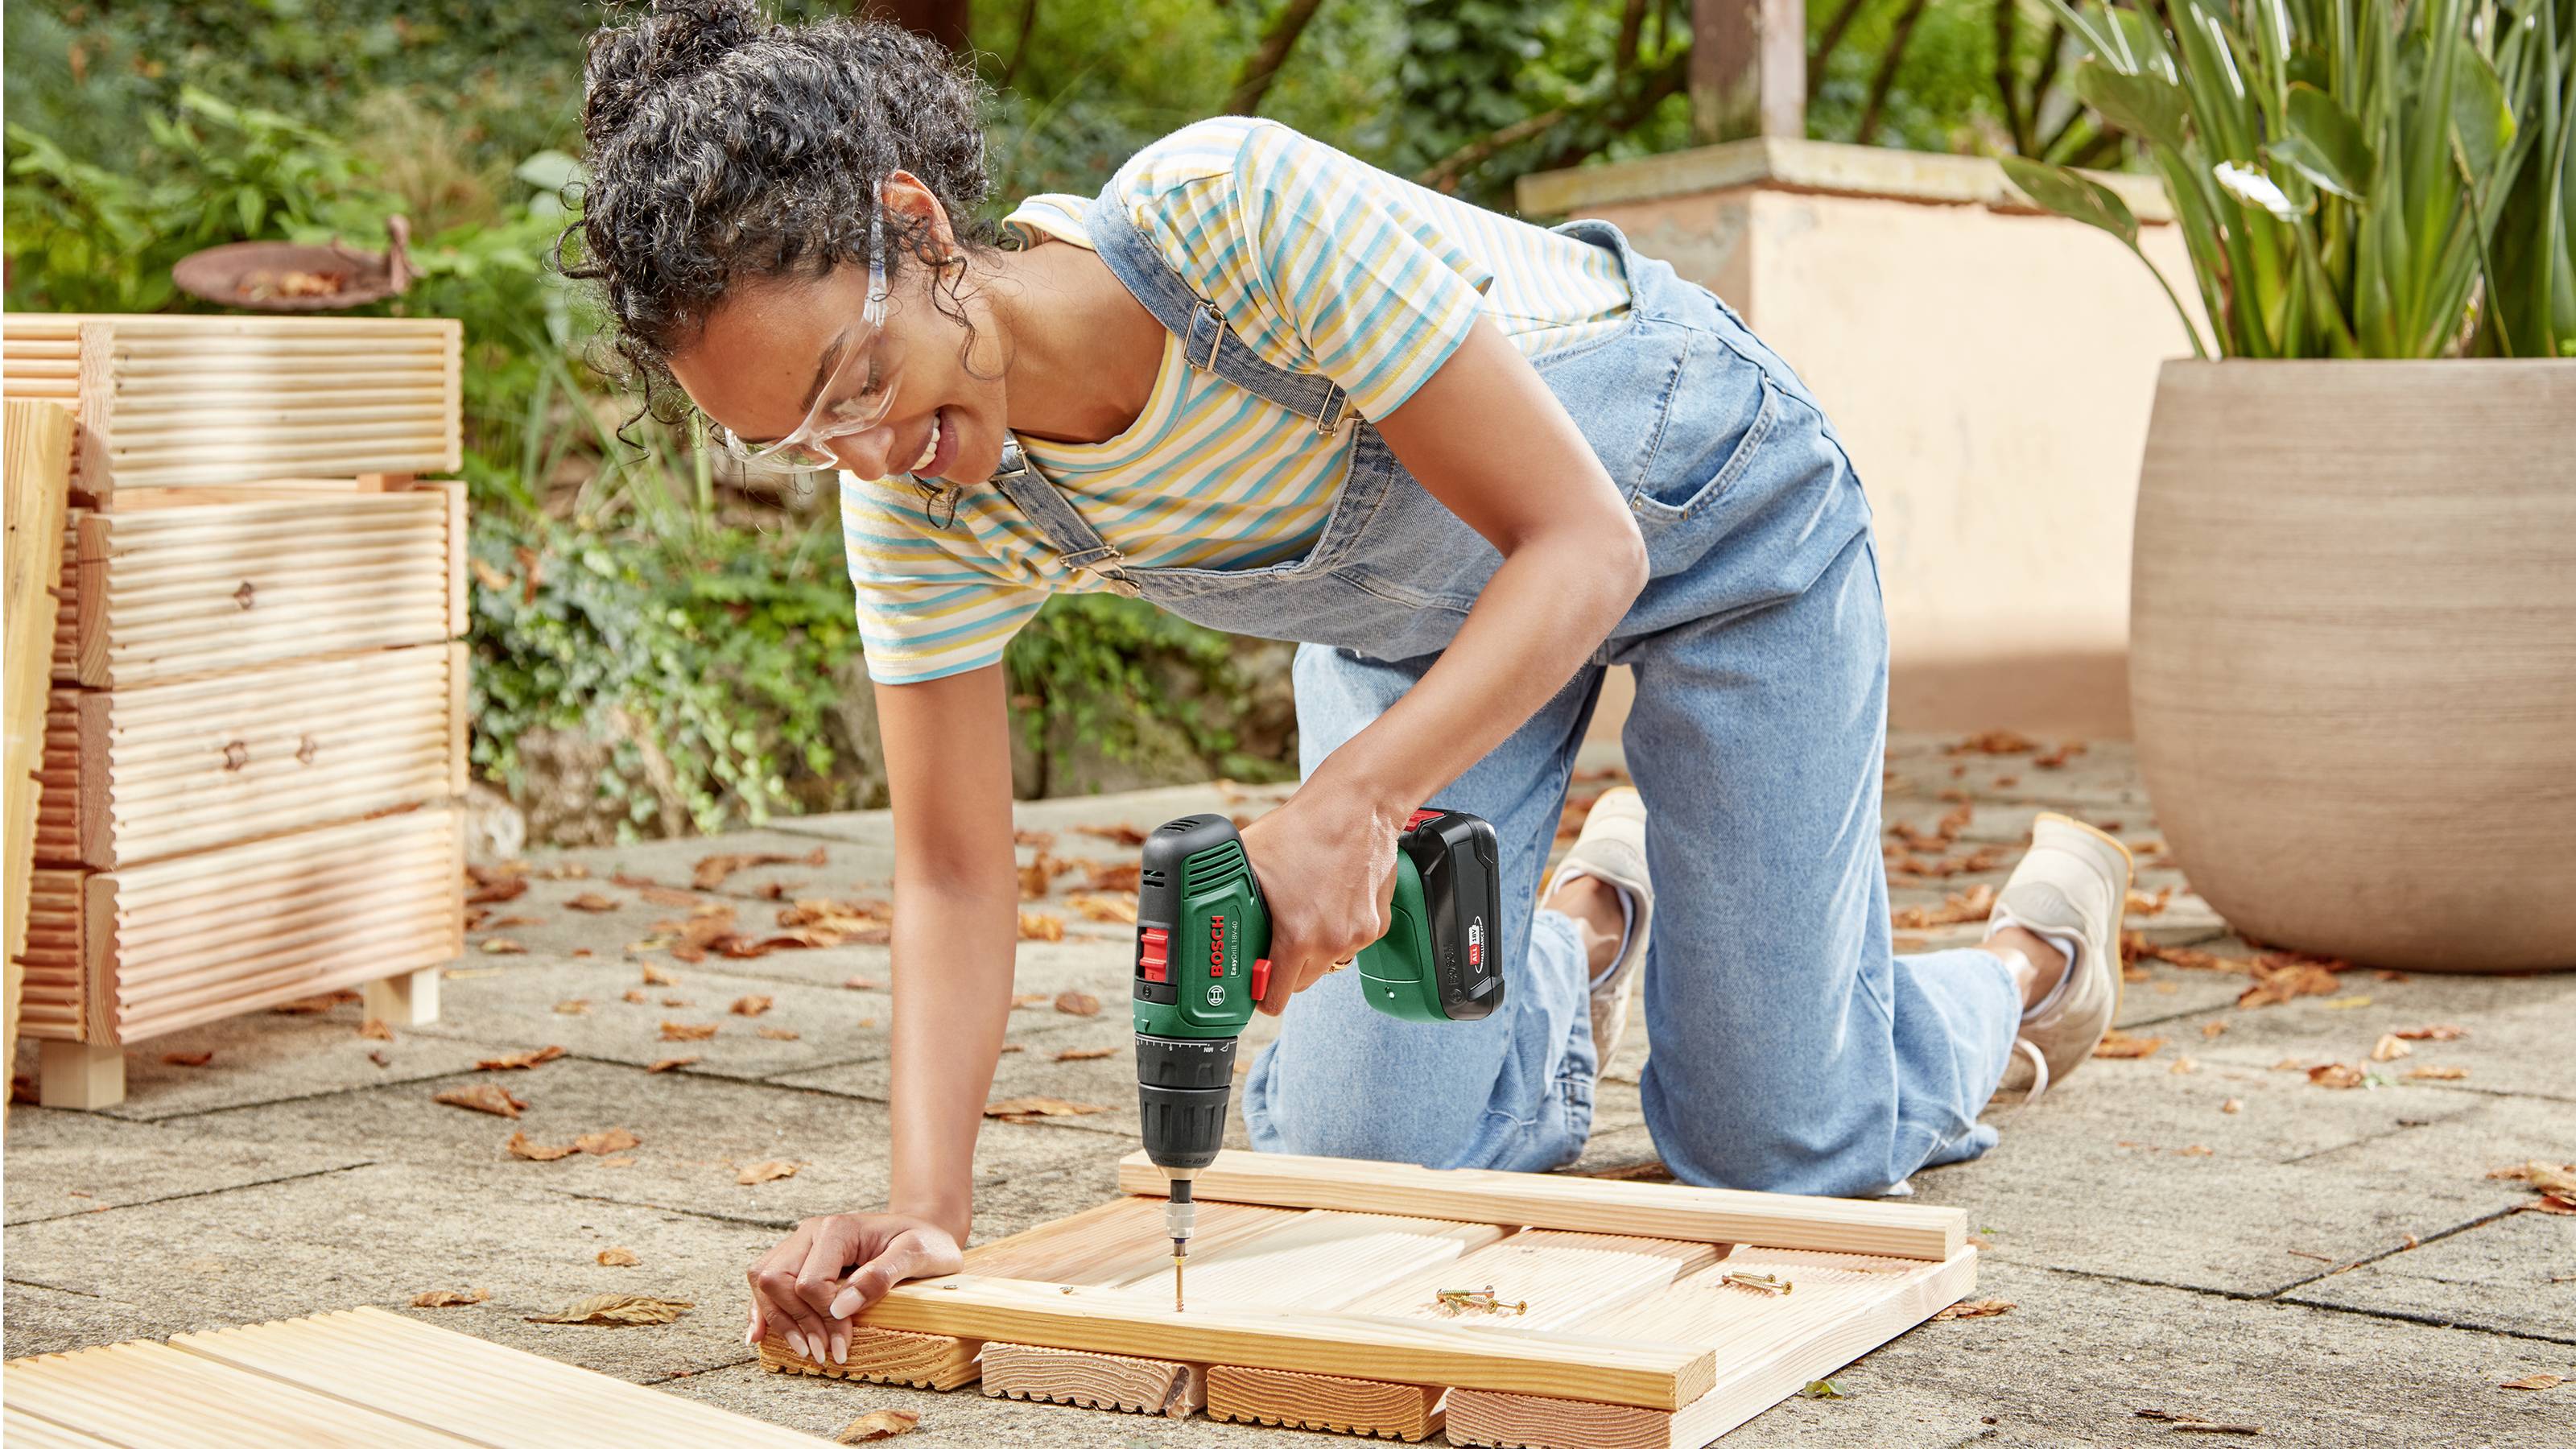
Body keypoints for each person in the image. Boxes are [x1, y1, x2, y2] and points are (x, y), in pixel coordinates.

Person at [565, 0, 2134, 1368]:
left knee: (1772, 1149)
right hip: (1436, 638)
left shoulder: (1221, 212)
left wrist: (1351, 799)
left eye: (856, 381)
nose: (861, 448)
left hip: (1708, 522)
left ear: (915, 230)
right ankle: (1589, 925)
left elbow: (1579, 543)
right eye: (795, 438)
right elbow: (954, 874)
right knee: (1366, 1151)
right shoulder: (921, 507)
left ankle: (2023, 967)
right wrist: (926, 1212)